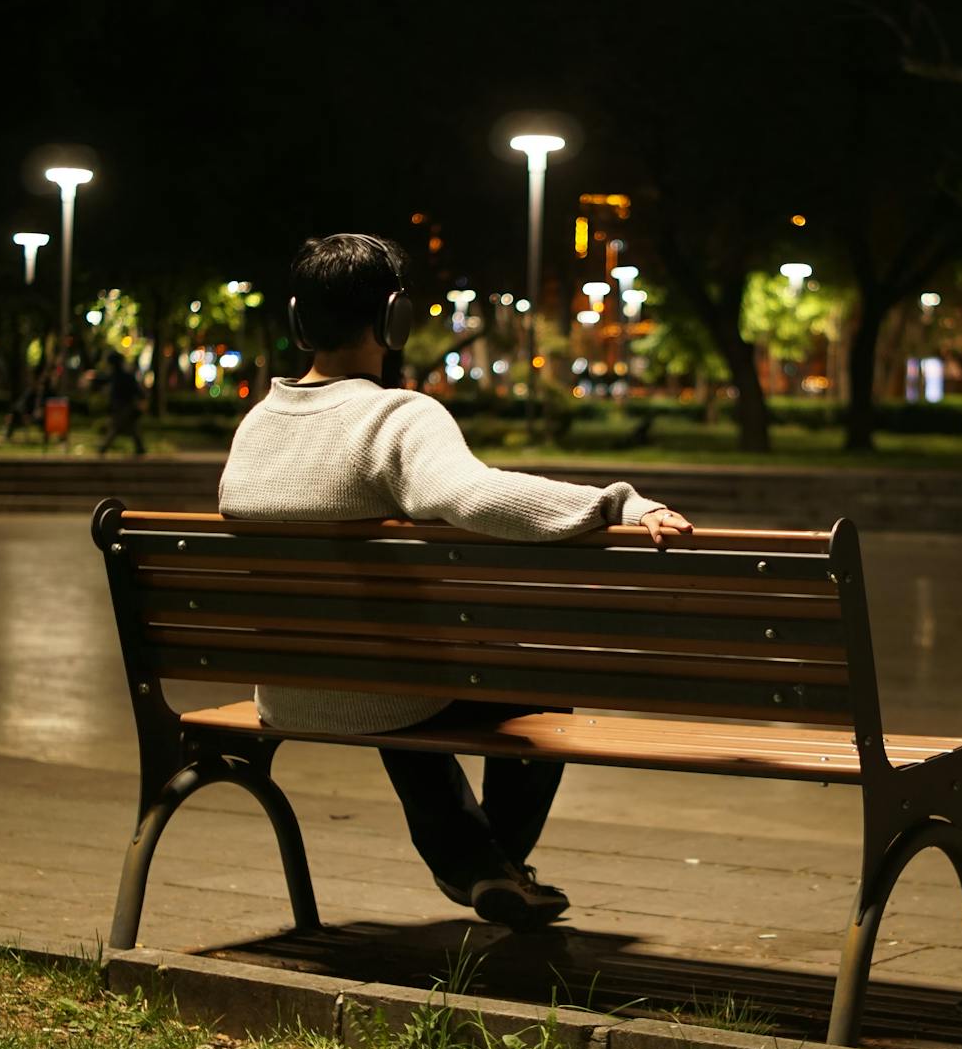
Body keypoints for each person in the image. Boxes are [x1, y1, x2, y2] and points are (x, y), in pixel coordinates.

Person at [218, 233, 692, 930]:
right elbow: (471, 496)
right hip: (382, 694)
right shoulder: (396, 416)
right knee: (534, 687)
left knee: (391, 672)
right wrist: (619, 503)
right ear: (394, 320)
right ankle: (483, 862)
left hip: (286, 691)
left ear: (298, 320)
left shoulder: (256, 426)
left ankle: (479, 865)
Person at [96, 352, 145, 456]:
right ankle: (140, 448)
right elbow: (138, 391)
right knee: (130, 428)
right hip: (126, 406)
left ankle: (103, 448)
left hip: (122, 407)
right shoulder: (124, 376)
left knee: (116, 427)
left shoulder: (117, 377)